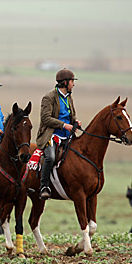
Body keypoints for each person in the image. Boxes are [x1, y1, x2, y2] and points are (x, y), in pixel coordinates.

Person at [36, 68, 82, 200]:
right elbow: (46, 118)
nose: (73, 84)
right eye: (72, 81)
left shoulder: (69, 97)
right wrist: (64, 125)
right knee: (50, 157)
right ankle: (44, 186)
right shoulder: (48, 97)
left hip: (67, 136)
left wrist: (75, 122)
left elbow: (70, 115)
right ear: (65, 82)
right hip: (52, 136)